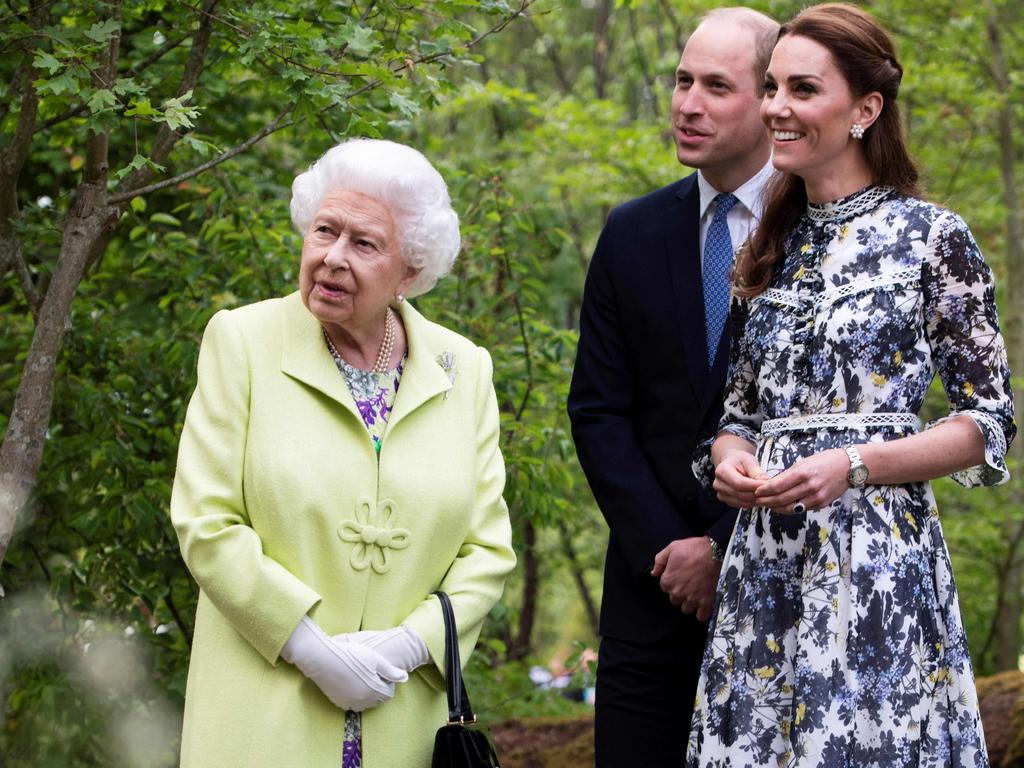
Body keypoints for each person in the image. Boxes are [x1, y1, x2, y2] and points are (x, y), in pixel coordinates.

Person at [688, 4, 1015, 765]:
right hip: (764, 566)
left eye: (802, 89)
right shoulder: (772, 241)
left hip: (875, 564)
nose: (776, 108)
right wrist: (734, 458)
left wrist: (856, 464)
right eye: (770, 87)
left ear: (866, 108)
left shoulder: (932, 238)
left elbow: (989, 424)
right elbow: (737, 413)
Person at [170, 138, 516, 768]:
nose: (331, 258)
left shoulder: (463, 368)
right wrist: (311, 648)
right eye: (324, 230)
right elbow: (206, 521)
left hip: (402, 716)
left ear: (409, 271)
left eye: (363, 243)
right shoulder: (242, 342)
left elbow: (486, 549)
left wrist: (408, 648)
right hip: (262, 716)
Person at [567, 8, 779, 765]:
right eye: (682, 81)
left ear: (771, 97)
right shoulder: (631, 232)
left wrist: (722, 549)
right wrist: (672, 549)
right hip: (647, 600)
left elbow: (832, 420)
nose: (688, 103)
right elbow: (597, 410)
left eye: (717, 86)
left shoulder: (822, 232)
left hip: (781, 597)